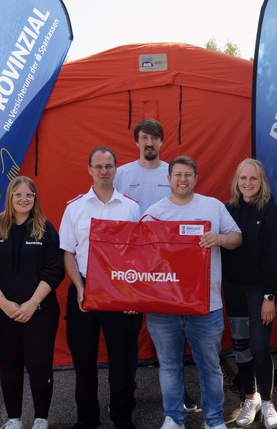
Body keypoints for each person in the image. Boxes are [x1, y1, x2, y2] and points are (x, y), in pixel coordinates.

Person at [143, 155, 242, 429]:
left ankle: (213, 420)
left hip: (206, 306)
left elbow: (237, 238)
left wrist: (219, 239)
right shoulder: (154, 212)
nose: (182, 179)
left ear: (196, 178)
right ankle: (174, 418)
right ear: (169, 179)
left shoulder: (213, 207)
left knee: (210, 367)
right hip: (164, 308)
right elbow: (140, 256)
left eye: (188, 175)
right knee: (169, 366)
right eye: (177, 175)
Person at [113, 118, 198, 413]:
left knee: (175, 330)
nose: (149, 143)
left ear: (162, 142)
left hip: (169, 264)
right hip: (134, 264)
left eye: (154, 138)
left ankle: (181, 393)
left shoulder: (172, 172)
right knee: (128, 330)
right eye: (144, 138)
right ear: (136, 142)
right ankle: (127, 392)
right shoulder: (122, 174)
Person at [0, 176, 65, 429]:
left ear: (35, 199)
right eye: (18, 194)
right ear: (10, 198)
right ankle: (13, 419)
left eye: (29, 195)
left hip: (40, 312)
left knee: (39, 365)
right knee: (10, 365)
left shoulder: (46, 230)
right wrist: (4, 304)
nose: (24, 199)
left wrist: (32, 303)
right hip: (2, 313)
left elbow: (54, 272)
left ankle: (41, 418)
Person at [60, 146, 141, 429]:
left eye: (109, 166)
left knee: (122, 361)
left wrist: (133, 296)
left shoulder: (131, 207)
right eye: (99, 166)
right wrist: (79, 287)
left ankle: (122, 415)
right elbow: (68, 252)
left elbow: (138, 255)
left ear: (116, 169)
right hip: (84, 290)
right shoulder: (75, 207)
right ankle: (87, 417)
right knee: (84, 361)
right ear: (90, 170)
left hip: (121, 293)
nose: (104, 171)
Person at [221, 159, 277, 429]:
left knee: (259, 348)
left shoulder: (270, 211)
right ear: (237, 180)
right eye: (243, 178)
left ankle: (268, 402)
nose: (248, 183)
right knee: (242, 348)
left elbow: (274, 256)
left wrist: (269, 296)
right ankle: (251, 397)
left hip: (260, 290)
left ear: (261, 182)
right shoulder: (227, 209)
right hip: (233, 288)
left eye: (254, 179)